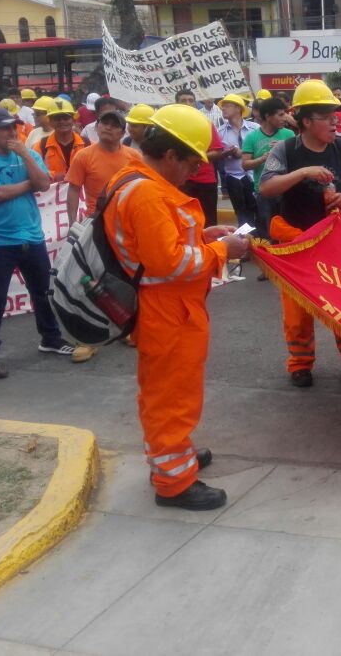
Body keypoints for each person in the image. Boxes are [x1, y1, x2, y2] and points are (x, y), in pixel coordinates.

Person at [103, 105, 247, 510]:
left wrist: (205, 235)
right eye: (191, 162)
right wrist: (222, 249)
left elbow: (161, 244)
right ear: (170, 154)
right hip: (167, 309)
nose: (195, 171)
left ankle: (174, 456)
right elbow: (171, 264)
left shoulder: (136, 180)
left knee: (166, 391)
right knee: (172, 396)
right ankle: (174, 482)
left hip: (166, 306)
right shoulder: (146, 192)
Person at [259, 79, 341, 389]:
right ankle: (300, 364)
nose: (335, 119)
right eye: (326, 115)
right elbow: (266, 187)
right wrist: (302, 173)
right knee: (296, 312)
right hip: (295, 242)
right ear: (306, 121)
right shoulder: (286, 150)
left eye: (335, 113)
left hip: (335, 243)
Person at [0, 108, 76, 377]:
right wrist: (31, 183)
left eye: (14, 127)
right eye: (5, 128)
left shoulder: (26, 154)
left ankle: (50, 338)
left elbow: (44, 184)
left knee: (42, 292)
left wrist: (25, 154)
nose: (12, 132)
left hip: (31, 236)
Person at [64, 109, 141, 363]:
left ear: (123, 131)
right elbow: (74, 189)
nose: (107, 128)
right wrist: (72, 221)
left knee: (128, 279)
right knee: (88, 280)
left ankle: (129, 329)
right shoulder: (84, 156)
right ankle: (85, 339)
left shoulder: (133, 156)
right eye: (103, 124)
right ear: (96, 128)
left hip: (126, 226)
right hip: (94, 225)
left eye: (113, 125)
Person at [241, 96, 294, 255]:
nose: (284, 118)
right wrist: (264, 158)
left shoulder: (289, 134)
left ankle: (289, 259)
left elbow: (297, 161)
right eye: (280, 114)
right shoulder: (252, 137)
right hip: (264, 191)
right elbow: (245, 164)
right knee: (267, 228)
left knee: (288, 228)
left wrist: (282, 151)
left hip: (287, 189)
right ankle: (270, 264)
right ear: (267, 116)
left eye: (285, 113)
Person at [175, 90, 225, 227]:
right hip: (179, 181)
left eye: (191, 100)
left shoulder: (206, 124)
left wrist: (192, 158)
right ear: (176, 104)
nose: (188, 103)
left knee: (208, 221)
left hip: (205, 180)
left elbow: (217, 152)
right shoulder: (170, 126)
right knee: (182, 222)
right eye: (183, 100)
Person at [217, 93, 259, 230]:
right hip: (233, 178)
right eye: (222, 106)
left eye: (227, 106)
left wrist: (244, 153)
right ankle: (246, 243)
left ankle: (259, 243)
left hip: (254, 176)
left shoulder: (255, 128)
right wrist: (226, 153)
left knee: (257, 211)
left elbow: (262, 150)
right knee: (241, 214)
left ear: (238, 108)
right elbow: (216, 155)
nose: (223, 109)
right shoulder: (220, 132)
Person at [34, 100, 87, 182]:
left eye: (66, 118)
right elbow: (34, 171)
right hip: (53, 193)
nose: (62, 122)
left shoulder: (87, 144)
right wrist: (53, 176)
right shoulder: (41, 146)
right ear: (50, 122)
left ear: (73, 120)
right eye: (57, 119)